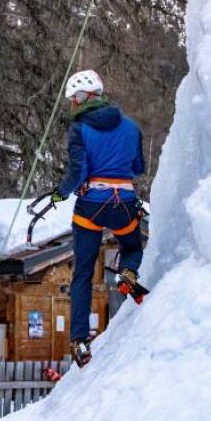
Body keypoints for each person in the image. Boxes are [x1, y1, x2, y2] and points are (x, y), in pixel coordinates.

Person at [50, 69, 146, 367]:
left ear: (85, 97)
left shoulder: (79, 128)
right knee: (131, 247)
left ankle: (79, 339)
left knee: (82, 274)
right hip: (124, 202)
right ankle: (127, 273)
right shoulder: (131, 127)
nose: (74, 104)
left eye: (75, 98)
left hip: (91, 206)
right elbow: (139, 166)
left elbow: (77, 171)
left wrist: (60, 194)